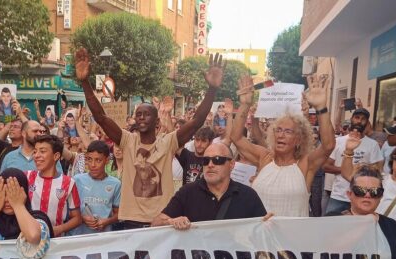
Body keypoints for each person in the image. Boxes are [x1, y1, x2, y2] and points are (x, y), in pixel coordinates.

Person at [75, 47, 226, 228]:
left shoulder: (168, 142)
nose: (141, 117)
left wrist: (212, 89)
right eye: (138, 114)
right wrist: (85, 82)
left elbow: (196, 121)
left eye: (146, 114)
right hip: (131, 221)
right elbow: (101, 117)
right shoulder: (127, 140)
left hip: (161, 220)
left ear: (157, 121)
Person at [232, 74, 336, 217]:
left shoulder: (305, 164)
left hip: (292, 232)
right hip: (260, 231)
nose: (281, 135)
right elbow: (236, 138)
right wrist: (245, 105)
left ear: (299, 139)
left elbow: (328, 145)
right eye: (278, 130)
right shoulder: (264, 158)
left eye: (288, 132)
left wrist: (321, 107)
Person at [152, 143, 266, 228]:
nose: (210, 165)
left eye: (217, 160)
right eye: (206, 160)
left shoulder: (248, 195)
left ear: (231, 164)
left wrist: (270, 223)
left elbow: (263, 230)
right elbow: (156, 223)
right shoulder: (188, 192)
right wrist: (171, 222)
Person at [323, 108, 383, 214]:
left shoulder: (373, 144)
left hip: (363, 196)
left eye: (363, 119)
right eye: (357, 117)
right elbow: (326, 166)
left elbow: (376, 171)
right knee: (331, 222)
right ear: (351, 119)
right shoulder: (338, 141)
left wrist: (356, 172)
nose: (359, 121)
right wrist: (348, 170)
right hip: (339, 195)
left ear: (367, 122)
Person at [24, 134, 81, 236]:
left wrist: (58, 229)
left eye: (42, 151)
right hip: (29, 238)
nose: (36, 156)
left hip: (57, 242)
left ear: (56, 156)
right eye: (35, 151)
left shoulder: (69, 183)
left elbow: (77, 218)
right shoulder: (26, 176)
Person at [72, 141, 121, 235]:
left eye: (98, 160)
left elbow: (118, 214)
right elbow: (67, 211)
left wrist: (107, 221)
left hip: (103, 237)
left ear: (107, 161)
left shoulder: (115, 184)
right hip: (78, 237)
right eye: (89, 159)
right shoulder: (77, 180)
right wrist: (81, 218)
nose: (93, 165)